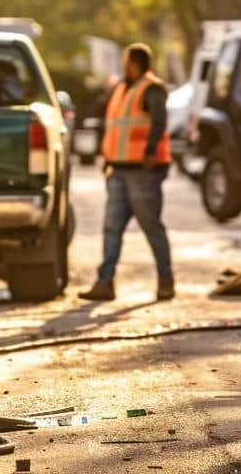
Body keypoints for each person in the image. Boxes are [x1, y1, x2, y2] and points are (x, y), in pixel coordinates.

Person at [79, 44, 174, 302]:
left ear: (136, 63)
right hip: (119, 169)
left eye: (126, 61)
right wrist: (108, 158)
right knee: (112, 227)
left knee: (151, 227)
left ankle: (166, 281)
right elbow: (115, 129)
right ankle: (105, 282)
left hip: (143, 172)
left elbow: (159, 122)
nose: (123, 65)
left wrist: (150, 151)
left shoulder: (151, 89)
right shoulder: (122, 89)